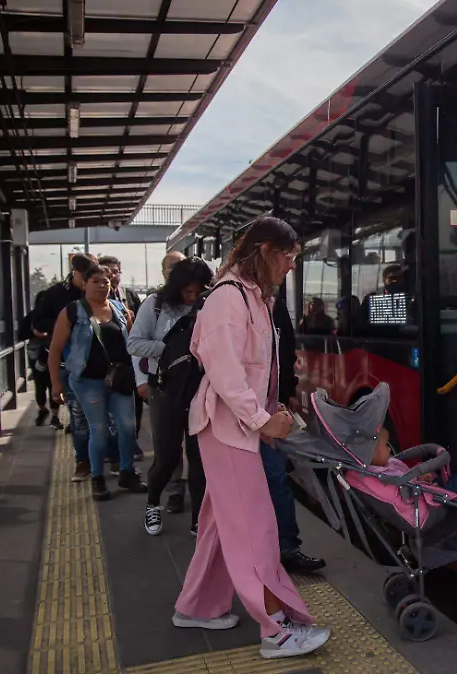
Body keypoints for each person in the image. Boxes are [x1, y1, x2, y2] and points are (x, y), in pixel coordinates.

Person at [173, 215, 330, 660]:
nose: (291, 265)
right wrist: (262, 420)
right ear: (264, 251)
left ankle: (197, 606)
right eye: (288, 255)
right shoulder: (230, 297)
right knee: (255, 529)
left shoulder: (249, 296)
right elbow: (225, 371)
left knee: (222, 527)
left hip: (232, 427)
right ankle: (276, 630)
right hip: (229, 430)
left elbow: (249, 371)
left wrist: (269, 411)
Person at [48, 265, 148, 501]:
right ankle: (97, 477)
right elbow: (55, 348)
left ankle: (126, 471)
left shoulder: (119, 309)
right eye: (96, 281)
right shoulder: (72, 312)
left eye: (106, 282)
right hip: (88, 380)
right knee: (99, 429)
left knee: (126, 427)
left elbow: (133, 343)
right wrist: (55, 383)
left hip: (120, 379)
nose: (103, 285)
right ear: (85, 284)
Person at [133, 257, 213, 535]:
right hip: (165, 391)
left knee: (199, 458)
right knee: (166, 456)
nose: (192, 297)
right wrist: (169, 349)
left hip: (200, 392)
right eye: (186, 291)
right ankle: (153, 503)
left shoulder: (209, 306)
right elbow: (134, 343)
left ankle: (198, 518)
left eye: (197, 290)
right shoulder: (156, 304)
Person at [260, 287, 326, 573]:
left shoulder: (274, 304)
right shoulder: (227, 301)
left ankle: (288, 548)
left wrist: (283, 397)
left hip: (270, 408)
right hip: (236, 418)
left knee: (277, 477)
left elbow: (285, 352)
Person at [32, 253, 96, 479]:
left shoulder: (100, 291)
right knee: (79, 418)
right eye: (86, 276)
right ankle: (83, 461)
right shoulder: (54, 295)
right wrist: (66, 323)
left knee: (101, 419)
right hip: (67, 365)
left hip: (98, 366)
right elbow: (38, 321)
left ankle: (105, 459)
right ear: (75, 273)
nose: (92, 282)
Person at [98, 255, 146, 463]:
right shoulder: (88, 303)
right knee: (103, 413)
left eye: (116, 271)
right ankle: (110, 448)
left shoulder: (129, 296)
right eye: (107, 271)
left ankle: (130, 443)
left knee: (132, 407)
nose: (112, 275)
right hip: (101, 366)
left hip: (128, 364)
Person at [20, 289, 58, 427]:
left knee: (53, 383)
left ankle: (55, 415)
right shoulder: (32, 317)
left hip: (52, 353)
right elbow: (21, 334)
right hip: (36, 355)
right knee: (40, 384)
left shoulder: (56, 316)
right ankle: (42, 409)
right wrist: (34, 332)